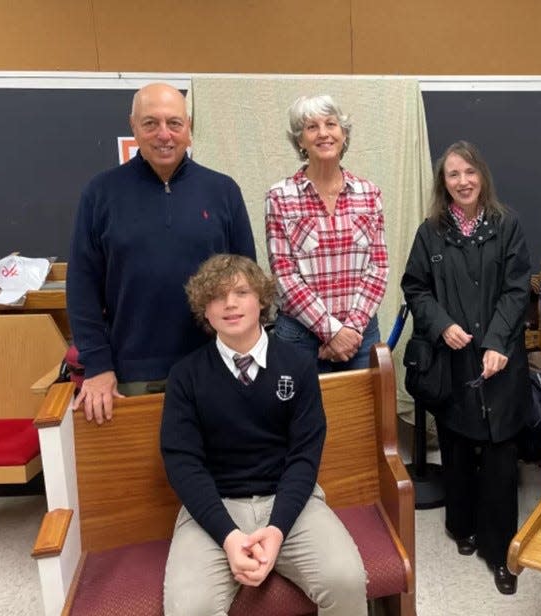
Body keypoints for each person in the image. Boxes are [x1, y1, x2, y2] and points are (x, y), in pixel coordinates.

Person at [160, 254, 366, 615]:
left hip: (289, 502)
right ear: (203, 311)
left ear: (262, 300)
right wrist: (228, 536)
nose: (230, 304)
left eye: (241, 291)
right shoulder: (185, 376)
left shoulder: (298, 366)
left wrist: (276, 530)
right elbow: (183, 464)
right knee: (190, 607)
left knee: (346, 579)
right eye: (217, 296)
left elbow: (305, 456)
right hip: (214, 507)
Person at [67, 82, 256, 424]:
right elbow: (82, 289)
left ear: (189, 129)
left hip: (214, 367)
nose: (164, 134)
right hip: (130, 375)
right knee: (140, 475)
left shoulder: (223, 191)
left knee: (215, 472)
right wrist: (98, 366)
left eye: (174, 123)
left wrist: (246, 356)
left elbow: (248, 284)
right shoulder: (100, 194)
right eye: (150, 123)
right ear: (133, 127)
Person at [401, 140, 531, 595]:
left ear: (483, 177)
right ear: (444, 182)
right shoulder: (430, 231)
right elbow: (415, 288)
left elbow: (518, 291)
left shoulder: (507, 224)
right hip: (452, 358)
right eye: (453, 174)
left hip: (500, 359)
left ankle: (500, 553)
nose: (462, 182)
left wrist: (498, 342)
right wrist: (441, 325)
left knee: (499, 454)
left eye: (469, 173)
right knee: (455, 446)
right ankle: (462, 528)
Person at [265, 95, 389, 372]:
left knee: (360, 415)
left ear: (343, 135)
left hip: (360, 336)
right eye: (311, 127)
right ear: (300, 141)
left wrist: (351, 330)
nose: (323, 133)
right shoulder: (279, 197)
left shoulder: (370, 194)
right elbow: (284, 275)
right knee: (299, 416)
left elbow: (378, 267)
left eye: (331, 124)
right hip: (300, 338)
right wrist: (331, 331)